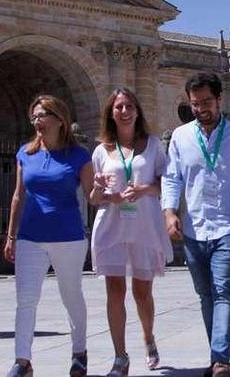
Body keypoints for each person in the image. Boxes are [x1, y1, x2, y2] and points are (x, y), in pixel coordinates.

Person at [161, 72, 230, 377]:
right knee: (205, 294)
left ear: (219, 100)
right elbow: (172, 178)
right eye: (195, 103)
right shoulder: (180, 137)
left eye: (206, 102)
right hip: (194, 228)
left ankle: (221, 359)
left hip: (229, 227)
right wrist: (170, 212)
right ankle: (216, 353)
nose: (201, 108)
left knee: (222, 290)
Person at [3, 95, 92, 377]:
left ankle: (79, 353)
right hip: (30, 236)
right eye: (34, 117)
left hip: (69, 237)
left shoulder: (79, 155)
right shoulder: (24, 154)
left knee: (71, 296)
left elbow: (92, 195)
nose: (37, 121)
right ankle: (22, 361)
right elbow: (18, 196)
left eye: (43, 115)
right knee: (25, 299)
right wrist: (10, 235)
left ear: (59, 119)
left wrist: (104, 190)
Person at [88, 88, 173, 377]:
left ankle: (148, 337)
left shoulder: (152, 146)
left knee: (141, 291)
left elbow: (166, 184)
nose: (123, 111)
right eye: (118, 107)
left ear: (137, 111)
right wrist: (102, 190)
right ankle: (120, 356)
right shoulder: (102, 150)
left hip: (144, 224)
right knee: (114, 289)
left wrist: (144, 189)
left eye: (128, 106)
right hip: (111, 225)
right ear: (110, 113)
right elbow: (92, 197)